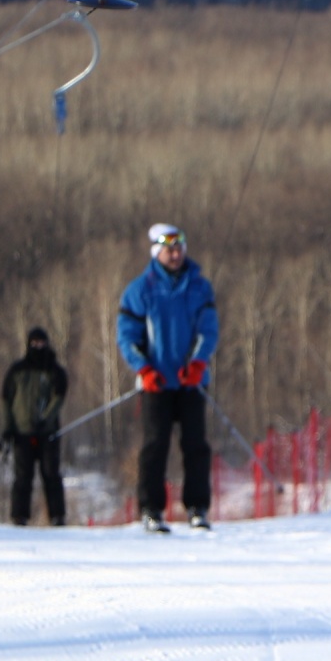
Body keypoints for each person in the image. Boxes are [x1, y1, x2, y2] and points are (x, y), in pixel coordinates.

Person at [117, 223, 218, 533]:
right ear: (157, 252)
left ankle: (197, 507)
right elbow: (127, 337)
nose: (175, 255)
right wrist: (144, 368)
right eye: (169, 249)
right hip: (156, 384)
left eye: (179, 248)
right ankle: (150, 509)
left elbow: (208, 330)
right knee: (154, 445)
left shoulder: (199, 287)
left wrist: (198, 363)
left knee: (195, 445)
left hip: (190, 382)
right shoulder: (140, 290)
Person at [0, 326, 68, 526]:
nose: (38, 347)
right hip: (21, 432)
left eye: (41, 343)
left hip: (48, 433)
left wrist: (46, 419)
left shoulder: (54, 370)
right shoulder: (17, 371)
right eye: (34, 343)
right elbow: (6, 399)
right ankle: (19, 516)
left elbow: (59, 397)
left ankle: (57, 516)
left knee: (51, 475)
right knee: (22, 477)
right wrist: (8, 427)